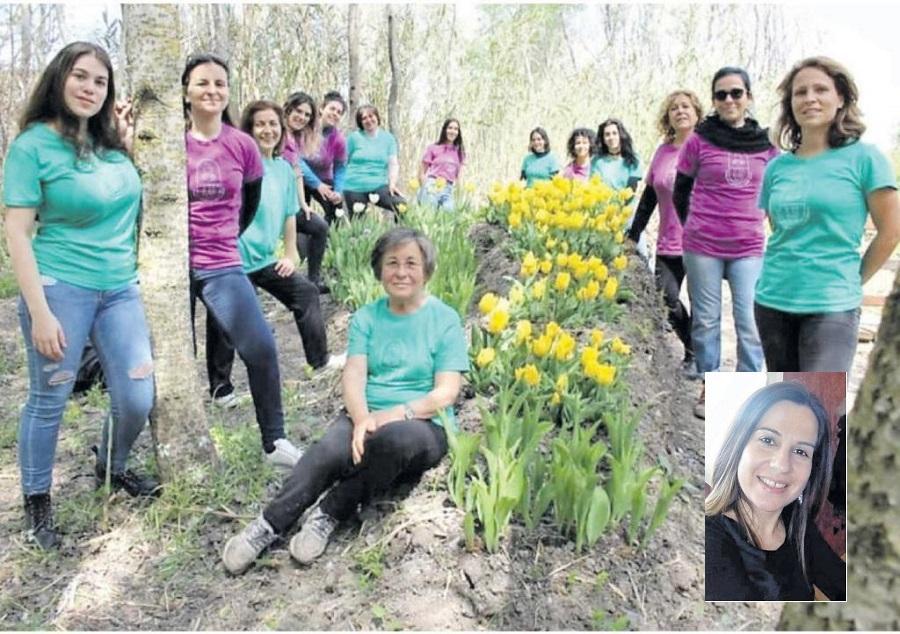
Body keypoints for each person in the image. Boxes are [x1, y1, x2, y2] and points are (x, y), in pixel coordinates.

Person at [221, 227, 469, 574]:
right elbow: (353, 375)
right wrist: (362, 417)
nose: (401, 271)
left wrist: (386, 418)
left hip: (423, 423)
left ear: (426, 270)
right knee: (325, 453)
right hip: (363, 413)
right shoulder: (368, 317)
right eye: (392, 262)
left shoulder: (444, 319)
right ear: (379, 270)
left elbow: (446, 392)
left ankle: (331, 511)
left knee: (393, 441)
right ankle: (268, 524)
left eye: (411, 263)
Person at [4, 42, 160, 549]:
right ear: (58, 79)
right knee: (49, 398)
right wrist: (41, 313)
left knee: (137, 395)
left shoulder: (109, 143)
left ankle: (110, 466)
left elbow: (119, 196)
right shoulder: (31, 146)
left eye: (100, 81)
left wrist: (126, 135)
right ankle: (37, 505)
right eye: (80, 76)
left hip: (119, 288)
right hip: (59, 286)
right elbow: (17, 233)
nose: (90, 88)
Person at [182, 53, 301, 469]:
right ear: (185, 92)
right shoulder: (169, 144)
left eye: (219, 83)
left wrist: (225, 237)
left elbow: (247, 204)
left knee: (262, 348)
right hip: (172, 270)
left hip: (221, 262)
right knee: (156, 363)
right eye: (202, 83)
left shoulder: (242, 144)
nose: (212, 90)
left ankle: (275, 443)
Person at [754, 56, 900, 372]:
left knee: (821, 409)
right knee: (785, 406)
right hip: (772, 301)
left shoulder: (866, 159)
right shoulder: (777, 167)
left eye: (821, 89)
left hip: (833, 306)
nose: (810, 98)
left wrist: (853, 280)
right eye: (800, 92)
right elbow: (780, 229)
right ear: (790, 103)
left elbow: (891, 232)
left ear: (841, 98)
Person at [205, 100, 345, 405]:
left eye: (273, 124)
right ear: (248, 130)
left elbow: (288, 215)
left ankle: (319, 361)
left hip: (266, 259)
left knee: (306, 293)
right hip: (232, 259)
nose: (267, 130)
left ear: (281, 130)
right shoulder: (237, 164)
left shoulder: (283, 169)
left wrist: (290, 253)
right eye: (260, 124)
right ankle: (221, 388)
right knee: (224, 317)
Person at [673, 67, 779, 418]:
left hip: (748, 245)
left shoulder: (768, 145)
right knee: (706, 320)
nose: (729, 100)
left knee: (750, 320)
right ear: (714, 100)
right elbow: (680, 190)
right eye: (721, 95)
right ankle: (710, 388)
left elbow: (776, 192)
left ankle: (748, 393)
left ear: (748, 97)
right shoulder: (699, 140)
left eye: (736, 93)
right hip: (703, 244)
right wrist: (693, 227)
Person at [705, 382, 845, 601]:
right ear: (738, 445)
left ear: (813, 468)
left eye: (800, 451)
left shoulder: (795, 520)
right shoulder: (710, 541)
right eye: (768, 440)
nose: (781, 465)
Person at [628, 91, 704, 373]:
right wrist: (634, 233)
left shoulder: (707, 149)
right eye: (674, 108)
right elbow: (649, 195)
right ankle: (691, 346)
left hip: (701, 244)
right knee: (666, 299)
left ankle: (697, 359)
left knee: (701, 307)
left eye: (686, 106)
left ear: (697, 112)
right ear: (668, 117)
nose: (680, 111)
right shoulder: (663, 151)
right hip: (668, 241)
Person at [272, 91, 330, 294]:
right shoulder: (274, 130)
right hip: (269, 203)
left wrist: (303, 204)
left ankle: (313, 280)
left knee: (320, 227)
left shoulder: (296, 138)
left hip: (289, 203)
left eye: (307, 115)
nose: (302, 118)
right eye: (299, 111)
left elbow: (297, 171)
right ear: (288, 108)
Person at [282, 91, 348, 227]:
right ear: (322, 108)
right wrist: (317, 184)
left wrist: (338, 191)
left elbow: (340, 167)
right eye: (332, 109)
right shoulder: (303, 128)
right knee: (302, 214)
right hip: (301, 179)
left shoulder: (338, 140)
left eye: (339, 112)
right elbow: (297, 160)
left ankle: (330, 240)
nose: (335, 113)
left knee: (335, 206)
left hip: (324, 179)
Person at [594, 118, 647, 258]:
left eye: (614, 133)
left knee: (640, 253)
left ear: (620, 135)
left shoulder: (632, 160)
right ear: (603, 138)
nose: (611, 138)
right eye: (607, 134)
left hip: (627, 214)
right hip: (604, 214)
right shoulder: (597, 162)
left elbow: (631, 190)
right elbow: (595, 187)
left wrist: (619, 210)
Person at [342, 104, 406, 217]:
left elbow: (393, 163)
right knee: (359, 224)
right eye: (364, 118)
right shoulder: (354, 138)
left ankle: (400, 233)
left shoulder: (388, 139)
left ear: (377, 117)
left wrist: (392, 184)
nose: (368, 120)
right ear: (360, 122)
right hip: (354, 186)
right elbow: (342, 162)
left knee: (402, 206)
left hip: (379, 185)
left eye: (371, 116)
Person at [417, 118, 465, 211]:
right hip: (432, 186)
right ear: (445, 130)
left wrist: (460, 195)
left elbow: (460, 177)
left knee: (449, 213)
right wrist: (425, 188)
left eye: (456, 129)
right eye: (450, 128)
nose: (453, 131)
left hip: (448, 189)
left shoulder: (459, 152)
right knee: (430, 217)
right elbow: (421, 171)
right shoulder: (433, 148)